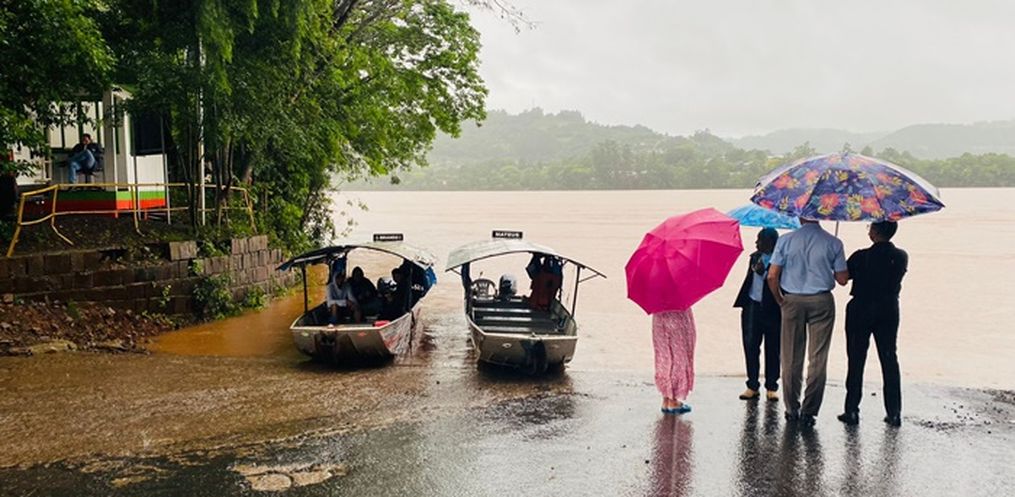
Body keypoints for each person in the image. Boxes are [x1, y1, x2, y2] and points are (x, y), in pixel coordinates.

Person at [767, 218, 848, 426]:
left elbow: (772, 276)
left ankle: (791, 408)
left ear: (800, 216)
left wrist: (780, 300)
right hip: (821, 300)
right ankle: (809, 411)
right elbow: (842, 279)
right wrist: (829, 266)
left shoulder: (785, 240)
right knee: (818, 358)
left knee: (790, 357)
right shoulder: (833, 242)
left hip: (792, 300)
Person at [837, 221, 908, 427]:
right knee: (889, 357)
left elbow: (843, 279)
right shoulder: (901, 256)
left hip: (861, 307)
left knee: (856, 358)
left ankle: (852, 409)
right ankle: (894, 412)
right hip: (888, 308)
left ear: (875, 232)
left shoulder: (861, 256)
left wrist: (836, 261)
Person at [733, 228, 782, 402]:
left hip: (773, 308)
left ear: (770, 242)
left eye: (760, 240)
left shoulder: (781, 259)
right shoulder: (754, 257)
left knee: (773, 348)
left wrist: (765, 273)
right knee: (751, 346)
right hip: (752, 306)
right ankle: (752, 385)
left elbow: (782, 282)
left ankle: (772, 386)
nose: (756, 243)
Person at [653, 308, 697, 415]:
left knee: (664, 357)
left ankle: (666, 399)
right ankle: (673, 401)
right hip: (678, 317)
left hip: (659, 319)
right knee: (679, 356)